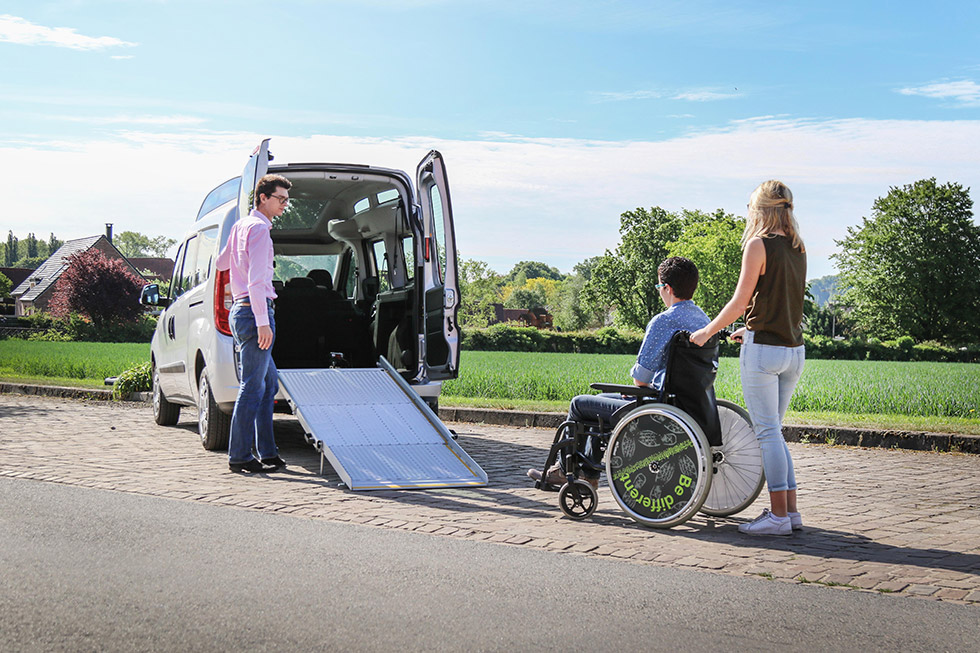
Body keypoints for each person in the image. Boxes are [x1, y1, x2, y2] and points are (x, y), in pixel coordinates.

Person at [528, 256, 709, 489]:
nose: (659, 293)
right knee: (601, 401)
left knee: (579, 404)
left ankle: (566, 470)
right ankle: (589, 475)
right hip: (688, 403)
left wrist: (635, 391)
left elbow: (640, 379)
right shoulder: (704, 320)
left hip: (657, 404)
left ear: (668, 288)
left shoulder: (664, 321)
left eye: (658, 287)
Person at [690, 180, 806, 536]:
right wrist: (749, 328)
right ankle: (791, 513)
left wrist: (706, 332)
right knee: (776, 432)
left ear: (761, 210)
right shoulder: (798, 247)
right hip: (794, 351)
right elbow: (781, 305)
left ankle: (777, 517)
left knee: (767, 432)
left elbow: (740, 303)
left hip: (764, 352)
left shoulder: (759, 245)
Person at [215, 174, 292, 474]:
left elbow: (221, 263)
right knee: (252, 386)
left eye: (286, 199)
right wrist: (264, 323)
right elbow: (258, 282)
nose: (285, 204)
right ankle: (240, 457)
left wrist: (237, 257)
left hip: (241, 310)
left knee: (268, 382)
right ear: (263, 197)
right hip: (253, 311)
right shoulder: (260, 229)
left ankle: (267, 452)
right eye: (281, 199)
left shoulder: (240, 227)